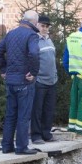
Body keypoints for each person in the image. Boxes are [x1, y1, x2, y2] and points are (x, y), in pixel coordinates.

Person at [0, 10, 40, 155]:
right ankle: (21, 147)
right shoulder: (32, 35)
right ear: (33, 22)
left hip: (11, 81)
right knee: (23, 116)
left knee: (10, 115)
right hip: (24, 82)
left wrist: (4, 69)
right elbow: (34, 53)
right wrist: (33, 72)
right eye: (37, 22)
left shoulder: (11, 34)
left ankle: (6, 146)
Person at [31, 14, 58, 144]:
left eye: (47, 26)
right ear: (37, 25)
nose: (45, 28)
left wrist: (55, 75)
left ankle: (46, 134)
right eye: (42, 25)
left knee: (49, 109)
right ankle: (36, 136)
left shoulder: (49, 40)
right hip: (40, 81)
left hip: (52, 81)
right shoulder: (34, 40)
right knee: (37, 110)